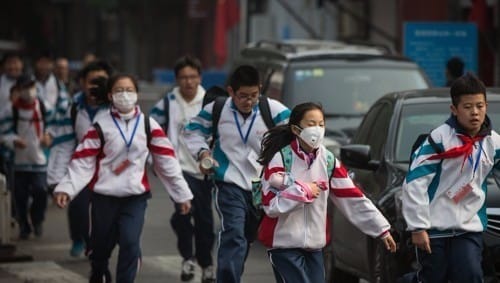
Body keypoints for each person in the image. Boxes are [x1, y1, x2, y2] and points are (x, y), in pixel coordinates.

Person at [53, 73, 193, 283]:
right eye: (119, 90)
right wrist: (66, 188)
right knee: (99, 247)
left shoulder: (149, 125)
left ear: (137, 94)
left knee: (130, 243)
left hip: (135, 198)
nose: (124, 95)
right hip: (103, 198)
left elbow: (167, 162)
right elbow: (83, 160)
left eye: (129, 90)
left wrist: (182, 195)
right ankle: (98, 271)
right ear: (110, 95)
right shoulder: (100, 127)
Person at [257, 102, 397, 283]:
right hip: (283, 246)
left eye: (321, 124)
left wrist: (381, 229)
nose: (317, 130)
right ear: (296, 129)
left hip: (315, 247)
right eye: (311, 124)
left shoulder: (329, 161)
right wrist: (303, 191)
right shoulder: (280, 159)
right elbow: (270, 204)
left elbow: (353, 198)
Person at [183, 65, 291, 283]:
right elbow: (191, 131)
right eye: (242, 96)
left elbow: (296, 133)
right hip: (228, 183)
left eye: (253, 95)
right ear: (231, 91)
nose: (248, 101)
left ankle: (233, 274)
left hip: (262, 186)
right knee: (233, 232)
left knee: (245, 238)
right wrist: (202, 152)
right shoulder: (217, 109)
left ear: (260, 89)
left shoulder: (274, 110)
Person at [402, 73, 500, 283]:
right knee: (434, 277)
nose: (475, 112)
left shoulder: (493, 142)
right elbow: (414, 182)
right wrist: (418, 227)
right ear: (454, 110)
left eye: (480, 106)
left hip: (468, 227)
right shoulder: (439, 139)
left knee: (471, 275)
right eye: (467, 107)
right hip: (434, 227)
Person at [150, 55, 216, 282]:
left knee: (205, 220)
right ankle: (188, 259)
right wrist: (153, 160)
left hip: (205, 171)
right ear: (177, 79)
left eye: (192, 77)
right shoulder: (168, 103)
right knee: (183, 213)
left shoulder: (211, 101)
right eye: (183, 78)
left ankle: (206, 263)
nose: (188, 82)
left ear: (200, 78)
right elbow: (150, 129)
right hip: (179, 170)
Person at [47, 59, 113, 257]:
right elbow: (64, 143)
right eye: (93, 81)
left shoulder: (117, 108)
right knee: (79, 206)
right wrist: (57, 179)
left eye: (102, 81)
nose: (97, 86)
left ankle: (99, 244)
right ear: (83, 83)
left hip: (110, 169)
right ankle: (79, 238)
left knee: (106, 213)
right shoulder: (73, 107)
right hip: (82, 166)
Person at [0, 75, 52, 239]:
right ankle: (24, 225)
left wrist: (48, 136)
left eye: (31, 87)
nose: (29, 91)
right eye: (25, 87)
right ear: (19, 89)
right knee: (19, 196)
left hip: (39, 160)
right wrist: (14, 140)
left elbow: (55, 127)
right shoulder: (11, 109)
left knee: (41, 190)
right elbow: (3, 132)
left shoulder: (44, 107)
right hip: (18, 161)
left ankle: (37, 219)